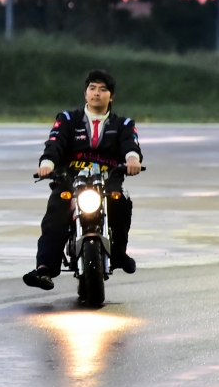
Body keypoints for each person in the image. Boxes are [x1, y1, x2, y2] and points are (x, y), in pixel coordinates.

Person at [23, 70, 143, 291]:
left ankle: (118, 253)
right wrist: (47, 163)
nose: (97, 93)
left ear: (112, 96)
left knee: (122, 203)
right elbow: (54, 143)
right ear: (85, 93)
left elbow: (131, 145)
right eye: (92, 88)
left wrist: (133, 160)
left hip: (108, 181)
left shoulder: (124, 124)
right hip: (70, 181)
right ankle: (44, 269)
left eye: (103, 89)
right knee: (55, 213)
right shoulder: (67, 119)